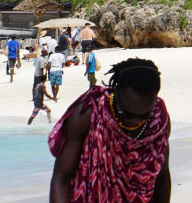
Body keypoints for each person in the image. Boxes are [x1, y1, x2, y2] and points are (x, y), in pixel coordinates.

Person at [49, 57, 171, 203]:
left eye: (144, 116)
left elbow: (162, 176)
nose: (135, 121)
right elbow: (61, 178)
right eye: (127, 114)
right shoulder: (87, 114)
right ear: (115, 91)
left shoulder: (159, 120)